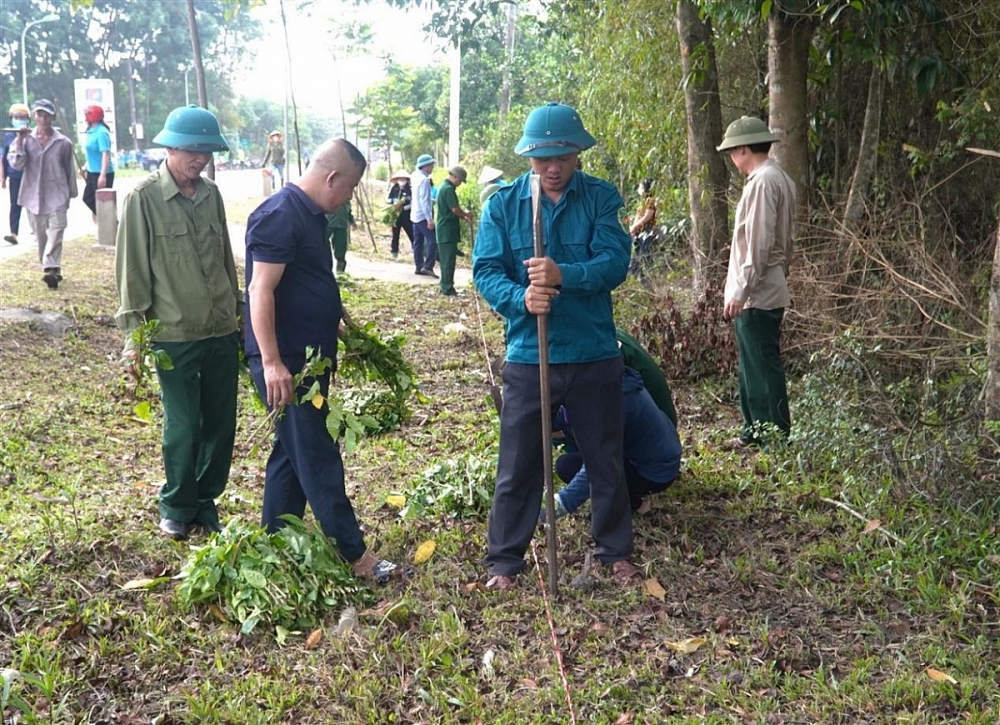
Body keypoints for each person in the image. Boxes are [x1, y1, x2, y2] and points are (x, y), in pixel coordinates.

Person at [472, 102, 641, 590]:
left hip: (593, 353)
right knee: (519, 462)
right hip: (530, 355)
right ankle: (504, 562)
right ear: (528, 156)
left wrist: (564, 274)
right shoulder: (503, 206)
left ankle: (615, 552)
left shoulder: (601, 199)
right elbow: (486, 271)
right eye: (542, 157)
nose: (552, 167)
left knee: (605, 458)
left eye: (562, 156)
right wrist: (521, 298)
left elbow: (614, 263)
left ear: (577, 154)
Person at [244, 137, 396, 584]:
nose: (348, 198)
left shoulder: (310, 217)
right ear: (331, 178)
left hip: (309, 357)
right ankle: (356, 556)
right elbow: (260, 290)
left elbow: (309, 281)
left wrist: (340, 323)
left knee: (290, 454)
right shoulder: (279, 215)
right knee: (317, 453)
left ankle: (274, 543)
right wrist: (272, 363)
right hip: (288, 361)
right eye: (349, 189)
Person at [114, 104, 241, 541]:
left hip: (221, 330)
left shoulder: (212, 195)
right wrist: (135, 339)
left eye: (206, 151)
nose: (200, 159)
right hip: (174, 334)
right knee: (184, 424)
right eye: (191, 150)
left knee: (222, 424)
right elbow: (132, 274)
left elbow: (226, 261)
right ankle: (176, 504)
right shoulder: (142, 199)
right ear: (169, 147)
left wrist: (239, 317)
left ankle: (206, 503)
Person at [716, 116, 796, 448]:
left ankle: (774, 438)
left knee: (763, 366)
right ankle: (754, 432)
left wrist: (741, 289)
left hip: (759, 291)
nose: (733, 160)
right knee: (752, 364)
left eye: (733, 152)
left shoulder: (764, 181)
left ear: (744, 149)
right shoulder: (778, 178)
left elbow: (760, 243)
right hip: (765, 285)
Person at [548, 365, 682, 520]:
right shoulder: (600, 382)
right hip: (641, 455)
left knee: (571, 468)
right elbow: (563, 416)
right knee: (566, 464)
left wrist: (560, 504)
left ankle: (632, 504)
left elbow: (597, 463)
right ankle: (628, 500)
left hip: (654, 471)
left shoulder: (613, 403)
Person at [6, 99, 78, 289]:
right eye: (39, 115)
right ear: (34, 117)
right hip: (33, 195)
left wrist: (71, 193)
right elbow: (16, 164)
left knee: (57, 230)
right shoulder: (25, 139)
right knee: (41, 237)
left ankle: (50, 268)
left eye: (47, 115)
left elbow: (68, 169)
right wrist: (20, 140)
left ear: (53, 117)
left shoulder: (63, 143)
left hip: (58, 194)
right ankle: (52, 269)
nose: (43, 118)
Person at [435, 166, 473, 296]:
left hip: (446, 230)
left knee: (447, 260)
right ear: (455, 177)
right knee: (447, 261)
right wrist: (466, 215)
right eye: (460, 180)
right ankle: (447, 288)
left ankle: (445, 285)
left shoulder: (444, 188)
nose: (460, 183)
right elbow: (455, 209)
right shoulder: (448, 189)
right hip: (446, 230)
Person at [1, 103, 30, 245]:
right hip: (15, 175)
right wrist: (3, 177)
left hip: (30, 175)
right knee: (15, 204)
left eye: (22, 117)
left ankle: (37, 230)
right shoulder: (8, 135)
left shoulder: (32, 135)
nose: (19, 119)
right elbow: (4, 157)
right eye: (16, 117)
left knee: (33, 203)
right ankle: (13, 232)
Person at [81, 104, 115, 219]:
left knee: (103, 203)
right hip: (92, 172)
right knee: (88, 198)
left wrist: (103, 176)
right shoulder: (91, 131)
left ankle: (110, 223)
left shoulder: (102, 133)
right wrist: (85, 166)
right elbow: (92, 153)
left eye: (88, 113)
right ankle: (104, 220)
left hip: (102, 173)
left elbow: (105, 154)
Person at [410, 153, 438, 277]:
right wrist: (429, 219)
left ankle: (418, 265)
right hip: (422, 215)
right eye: (431, 165)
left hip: (414, 214)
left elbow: (418, 197)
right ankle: (428, 266)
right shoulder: (424, 180)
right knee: (432, 240)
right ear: (426, 166)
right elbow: (424, 200)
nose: (432, 167)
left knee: (418, 241)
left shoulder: (415, 176)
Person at [628, 178, 657, 280]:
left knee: (645, 256)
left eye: (641, 186)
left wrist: (635, 226)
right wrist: (633, 228)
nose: (639, 189)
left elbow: (647, 217)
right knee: (634, 258)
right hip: (638, 232)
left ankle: (648, 281)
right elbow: (638, 216)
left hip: (647, 232)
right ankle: (636, 279)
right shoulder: (642, 202)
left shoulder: (651, 200)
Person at [386, 169, 413, 259]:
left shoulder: (409, 189)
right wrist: (395, 204)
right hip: (395, 215)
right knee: (395, 234)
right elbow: (388, 200)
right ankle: (394, 252)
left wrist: (403, 206)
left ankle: (416, 250)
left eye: (404, 179)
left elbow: (412, 202)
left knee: (411, 232)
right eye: (400, 179)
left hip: (406, 214)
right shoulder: (394, 188)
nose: (402, 181)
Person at [326, 200, 356, 274]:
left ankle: (340, 272)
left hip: (341, 225)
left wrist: (352, 222)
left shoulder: (346, 199)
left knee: (341, 248)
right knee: (320, 245)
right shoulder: (330, 194)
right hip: (328, 224)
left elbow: (348, 212)